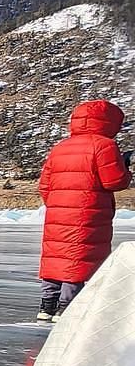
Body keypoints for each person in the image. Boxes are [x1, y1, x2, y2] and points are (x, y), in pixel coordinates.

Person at [35, 100, 131, 322]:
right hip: (89, 211)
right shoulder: (105, 145)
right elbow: (114, 182)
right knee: (79, 257)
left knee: (55, 257)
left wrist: (59, 203)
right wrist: (125, 167)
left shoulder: (60, 147)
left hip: (58, 213)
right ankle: (66, 308)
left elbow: (45, 185)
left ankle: (46, 306)